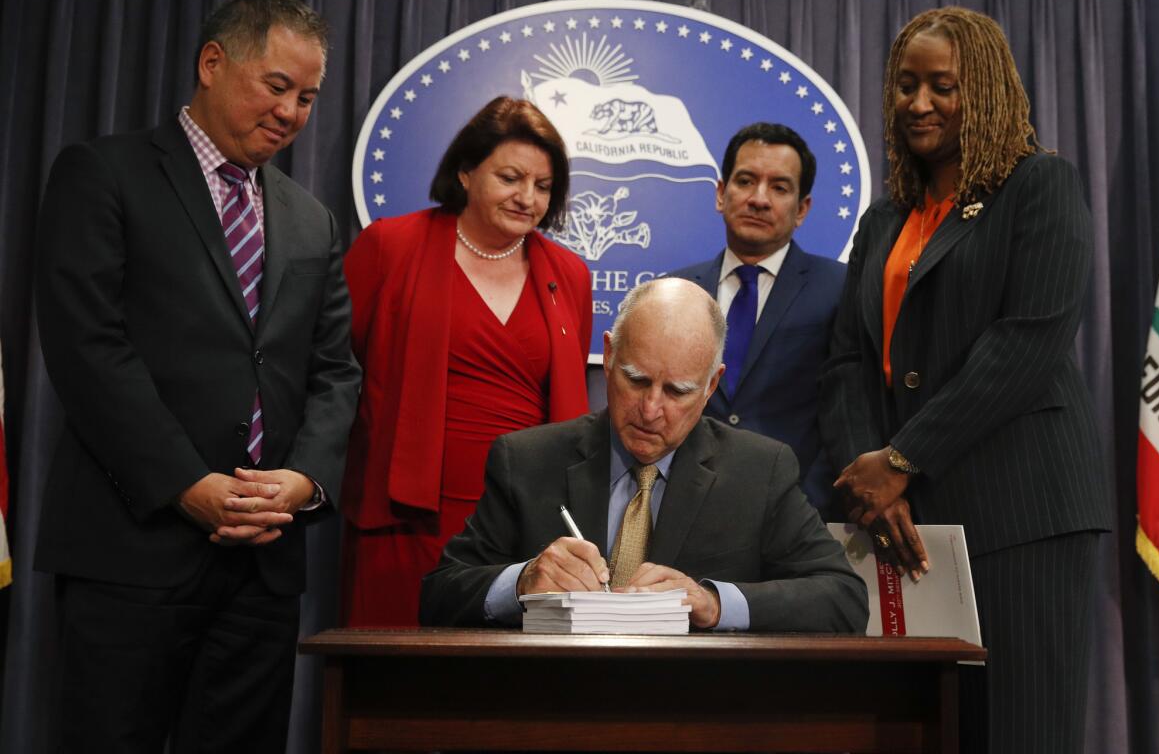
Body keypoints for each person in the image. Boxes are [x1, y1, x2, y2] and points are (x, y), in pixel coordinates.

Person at [34, 0, 360, 752]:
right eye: (277, 85)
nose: (292, 112)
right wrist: (188, 484)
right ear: (213, 63)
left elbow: (335, 371)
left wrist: (304, 482)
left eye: (308, 98)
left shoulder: (312, 219)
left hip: (264, 565)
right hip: (131, 549)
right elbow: (88, 349)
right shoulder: (103, 173)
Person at [818, 7, 1111, 753]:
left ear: (981, 91)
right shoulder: (886, 219)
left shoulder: (1038, 185)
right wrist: (867, 477)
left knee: (1019, 728)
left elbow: (1026, 343)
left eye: (942, 86)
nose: (918, 103)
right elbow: (850, 359)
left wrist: (905, 457)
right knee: (922, 730)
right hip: (901, 520)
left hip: (1022, 512)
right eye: (906, 85)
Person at [421, 278, 867, 632]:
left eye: (678, 391)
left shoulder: (760, 471)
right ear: (610, 355)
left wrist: (714, 603)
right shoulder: (528, 460)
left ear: (712, 385)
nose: (651, 410)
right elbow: (438, 595)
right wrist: (520, 582)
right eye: (636, 380)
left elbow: (843, 598)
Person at [340, 96, 592, 627]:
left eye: (543, 186)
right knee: (391, 686)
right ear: (465, 172)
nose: (527, 197)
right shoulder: (389, 246)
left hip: (520, 525)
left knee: (493, 698)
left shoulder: (570, 274)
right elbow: (335, 374)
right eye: (510, 178)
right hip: (404, 517)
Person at [671, 122, 845, 518]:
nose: (759, 199)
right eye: (746, 181)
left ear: (802, 210)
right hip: (685, 510)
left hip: (798, 512)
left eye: (780, 188)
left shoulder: (840, 289)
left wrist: (807, 507)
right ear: (720, 193)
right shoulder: (677, 289)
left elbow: (847, 411)